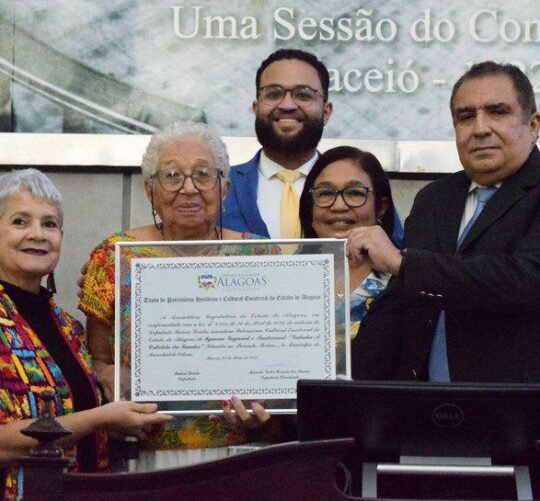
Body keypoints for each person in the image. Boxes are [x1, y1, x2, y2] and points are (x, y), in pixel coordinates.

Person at [78, 121, 278, 471]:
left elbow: (280, 357)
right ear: (150, 190)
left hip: (244, 454)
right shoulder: (115, 256)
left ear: (225, 189)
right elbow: (96, 358)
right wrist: (110, 377)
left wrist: (270, 397)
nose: (188, 188)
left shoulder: (261, 256)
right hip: (140, 455)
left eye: (202, 174)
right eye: (172, 176)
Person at [348, 61, 540, 383]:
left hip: (517, 406)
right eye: (466, 117)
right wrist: (332, 378)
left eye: (497, 112)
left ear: (533, 125)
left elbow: (524, 280)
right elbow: (399, 306)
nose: (480, 128)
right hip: (423, 404)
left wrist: (403, 263)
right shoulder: (434, 199)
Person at [0, 169, 172, 500]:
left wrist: (121, 423)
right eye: (20, 222)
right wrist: (99, 419)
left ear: (61, 237)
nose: (38, 234)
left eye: (49, 224)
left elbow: (75, 419)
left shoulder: (67, 327)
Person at [223, 48, 404, 244]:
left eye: (303, 95)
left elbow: (394, 256)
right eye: (273, 94)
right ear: (256, 107)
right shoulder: (217, 188)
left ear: (326, 112)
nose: (287, 105)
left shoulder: (362, 190)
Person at [299, 146, 397, 344]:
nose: (339, 206)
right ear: (310, 209)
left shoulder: (403, 280)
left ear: (381, 208)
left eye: (354, 193)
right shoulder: (284, 278)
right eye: (325, 193)